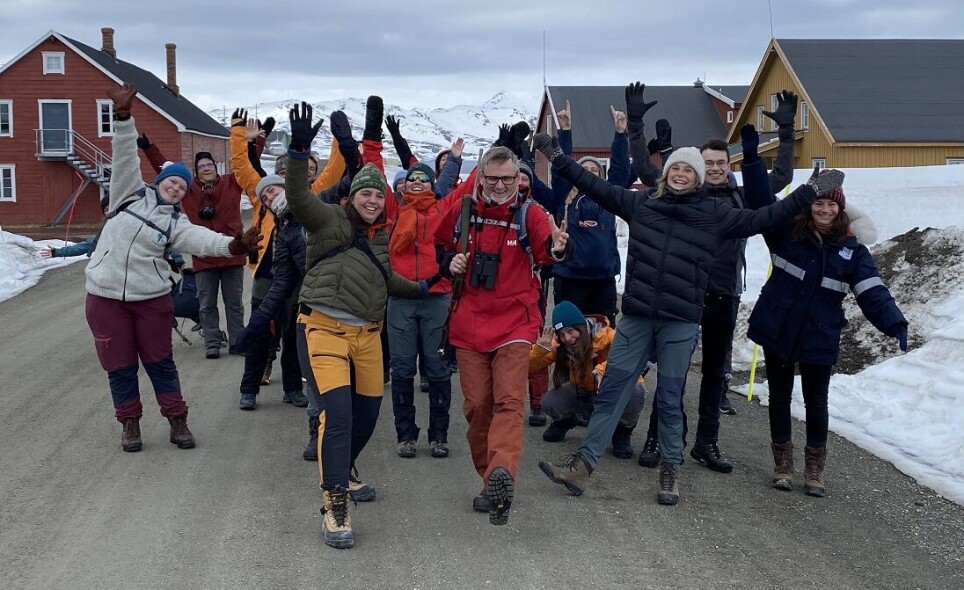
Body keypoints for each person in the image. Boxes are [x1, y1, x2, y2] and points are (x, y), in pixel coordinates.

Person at [531, 127, 846, 505]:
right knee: (612, 390)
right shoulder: (641, 203)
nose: (680, 174)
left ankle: (670, 471)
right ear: (667, 173)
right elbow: (594, 185)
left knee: (668, 396)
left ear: (697, 177)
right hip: (636, 317)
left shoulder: (716, 214)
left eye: (689, 170)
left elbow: (765, 218)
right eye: (675, 168)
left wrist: (809, 193)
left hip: (679, 321)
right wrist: (556, 156)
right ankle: (583, 467)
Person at [285, 102, 432, 550]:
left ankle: (344, 472)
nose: (371, 200)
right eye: (364, 194)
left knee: (368, 415)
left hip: (367, 336)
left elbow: (390, 281)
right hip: (323, 329)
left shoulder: (381, 238)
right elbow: (297, 196)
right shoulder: (327, 219)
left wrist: (429, 286)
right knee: (340, 414)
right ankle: (334, 506)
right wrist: (297, 152)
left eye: (377, 195)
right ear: (352, 198)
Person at [86, 83, 260, 452]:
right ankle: (130, 425)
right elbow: (124, 158)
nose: (177, 188)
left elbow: (202, 240)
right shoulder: (127, 194)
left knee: (160, 363)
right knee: (119, 367)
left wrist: (233, 245)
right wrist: (122, 119)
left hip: (150, 299)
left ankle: (177, 421)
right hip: (104, 297)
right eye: (173, 182)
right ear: (161, 182)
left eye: (182, 186)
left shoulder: (176, 223)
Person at [435, 146, 570, 526]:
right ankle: (489, 479)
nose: (499, 185)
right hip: (469, 322)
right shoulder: (463, 212)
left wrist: (560, 248)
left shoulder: (532, 214)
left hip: (515, 322)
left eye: (507, 179)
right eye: (492, 179)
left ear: (518, 179)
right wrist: (450, 262)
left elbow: (548, 251)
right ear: (480, 177)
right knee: (478, 406)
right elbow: (437, 245)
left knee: (509, 402)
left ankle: (503, 474)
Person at [746, 182, 907, 497]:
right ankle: (782, 465)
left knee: (816, 402)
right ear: (809, 205)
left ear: (841, 210)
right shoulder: (787, 232)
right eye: (819, 203)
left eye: (831, 205)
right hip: (779, 327)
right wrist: (752, 159)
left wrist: (894, 322)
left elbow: (872, 291)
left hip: (820, 333)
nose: (824, 210)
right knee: (779, 397)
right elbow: (760, 198)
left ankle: (814, 470)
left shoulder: (853, 250)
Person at [530, 302, 645, 448]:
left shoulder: (610, 335)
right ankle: (565, 420)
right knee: (550, 401)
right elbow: (527, 367)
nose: (568, 339)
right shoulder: (560, 345)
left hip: (612, 390)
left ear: (581, 326)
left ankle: (623, 430)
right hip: (585, 392)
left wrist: (601, 370)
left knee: (635, 392)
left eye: (571, 331)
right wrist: (540, 351)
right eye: (562, 335)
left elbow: (631, 358)